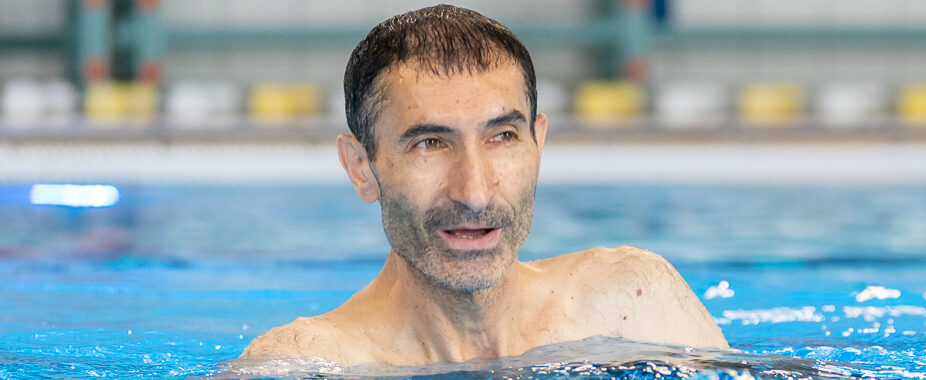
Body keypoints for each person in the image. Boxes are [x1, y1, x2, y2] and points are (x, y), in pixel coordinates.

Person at [239, 5, 726, 366]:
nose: (474, 192)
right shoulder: (305, 365)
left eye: (502, 137)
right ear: (361, 168)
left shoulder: (634, 305)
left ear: (539, 144)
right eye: (430, 143)